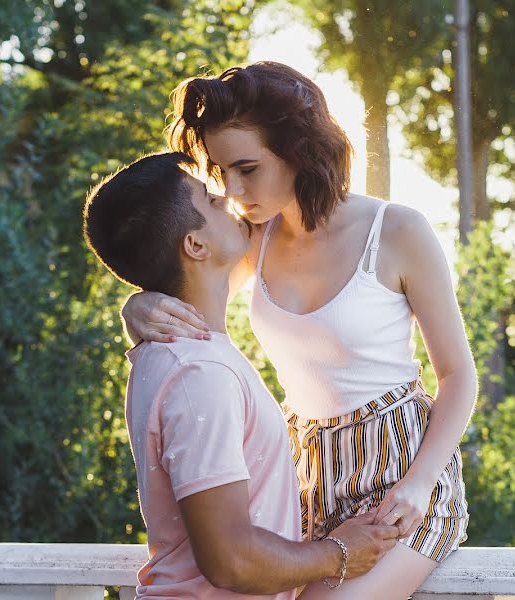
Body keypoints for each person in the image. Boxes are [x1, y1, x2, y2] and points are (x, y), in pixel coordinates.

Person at [121, 62, 477, 599]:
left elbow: (457, 375)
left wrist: (420, 484)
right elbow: (190, 277)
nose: (234, 190)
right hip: (300, 477)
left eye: (247, 168)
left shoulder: (398, 230)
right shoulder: (252, 239)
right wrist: (138, 306)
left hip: (399, 473)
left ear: (298, 149)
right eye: (221, 173)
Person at [83, 152, 400, 600]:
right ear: (195, 245)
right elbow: (230, 559)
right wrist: (340, 552)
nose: (229, 199)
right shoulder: (199, 375)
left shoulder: (164, 352)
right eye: (212, 201)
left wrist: (137, 303)